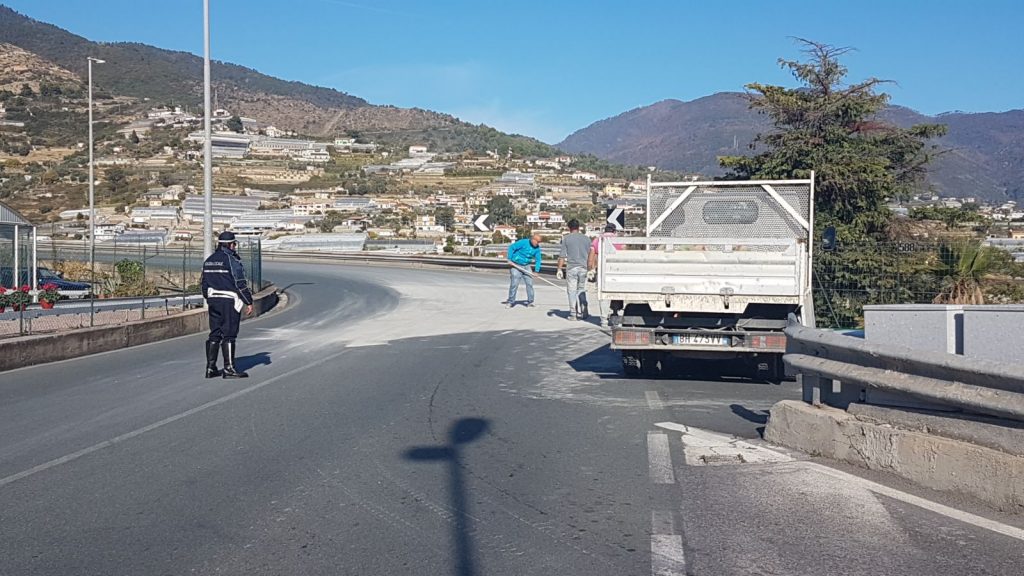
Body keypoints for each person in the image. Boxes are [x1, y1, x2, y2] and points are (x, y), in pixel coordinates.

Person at [201, 231, 255, 378]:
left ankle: (210, 368)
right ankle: (229, 369)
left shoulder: (209, 260)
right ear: (231, 244)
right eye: (234, 244)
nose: (235, 247)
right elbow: (240, 283)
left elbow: (204, 283)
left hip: (213, 301)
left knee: (215, 333)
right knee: (229, 334)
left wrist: (209, 298)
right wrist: (248, 301)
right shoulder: (232, 260)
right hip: (229, 301)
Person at [556, 219, 592, 320]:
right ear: (578, 227)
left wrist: (559, 269)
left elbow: (562, 256)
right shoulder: (586, 239)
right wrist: (591, 268)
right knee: (581, 289)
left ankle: (573, 313)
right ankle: (584, 310)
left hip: (572, 267)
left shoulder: (566, 239)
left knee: (571, 291)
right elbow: (591, 254)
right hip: (584, 267)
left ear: (569, 227)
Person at [505, 233, 542, 308]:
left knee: (529, 284)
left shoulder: (537, 249)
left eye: (539, 242)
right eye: (537, 242)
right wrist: (509, 258)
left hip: (526, 266)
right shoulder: (523, 242)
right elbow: (512, 247)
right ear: (532, 239)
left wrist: (536, 271)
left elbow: (538, 260)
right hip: (516, 265)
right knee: (514, 284)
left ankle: (530, 302)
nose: (538, 244)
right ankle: (510, 301)